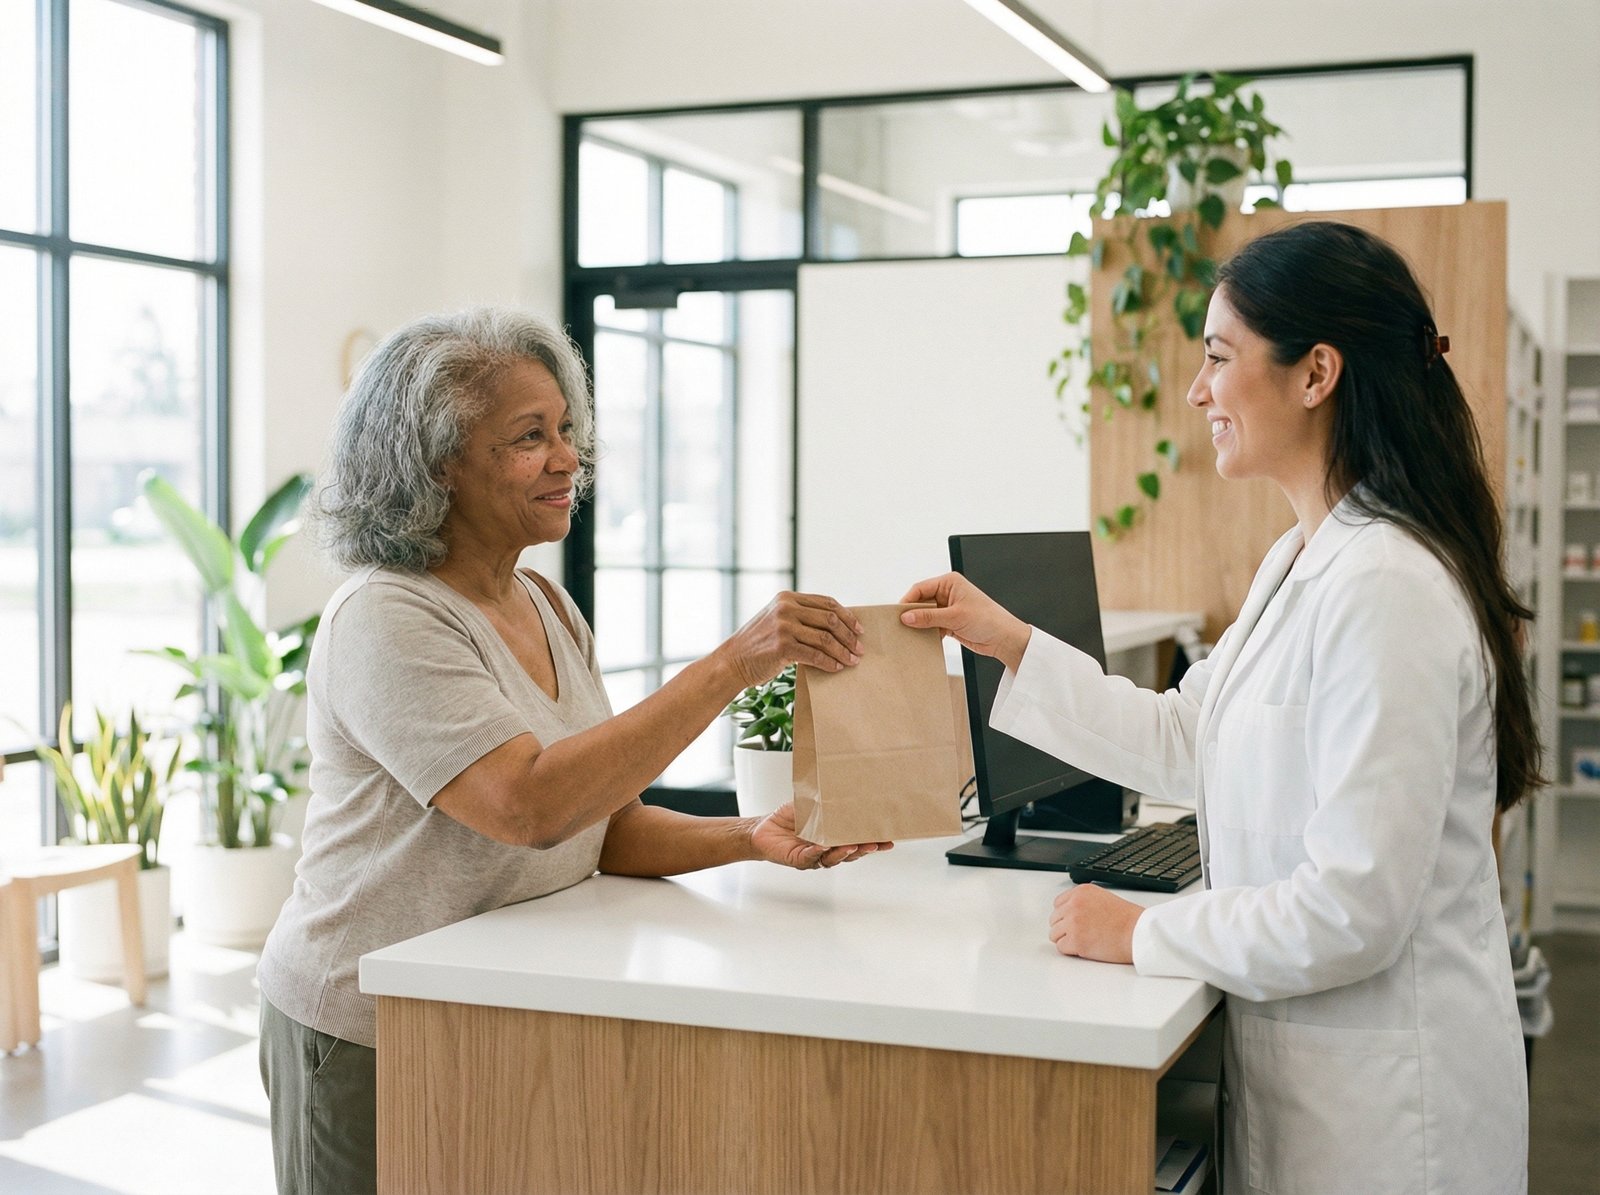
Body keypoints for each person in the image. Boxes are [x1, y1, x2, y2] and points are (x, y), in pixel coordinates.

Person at [902, 221, 1535, 1194]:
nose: (1198, 390)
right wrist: (1010, 643)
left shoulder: (1386, 586)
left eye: (1218, 357)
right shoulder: (1304, 558)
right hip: (1315, 1087)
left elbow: (1352, 906)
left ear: (1314, 373)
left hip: (1392, 1124)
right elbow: (1186, 737)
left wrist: (1138, 933)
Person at [256, 307, 888, 1195]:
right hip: (369, 1025)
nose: (567, 459)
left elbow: (602, 827)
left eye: (566, 431)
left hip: (501, 1005)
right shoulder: (386, 616)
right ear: (437, 463)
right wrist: (732, 665)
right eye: (529, 437)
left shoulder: (545, 606)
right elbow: (529, 807)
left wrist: (752, 835)